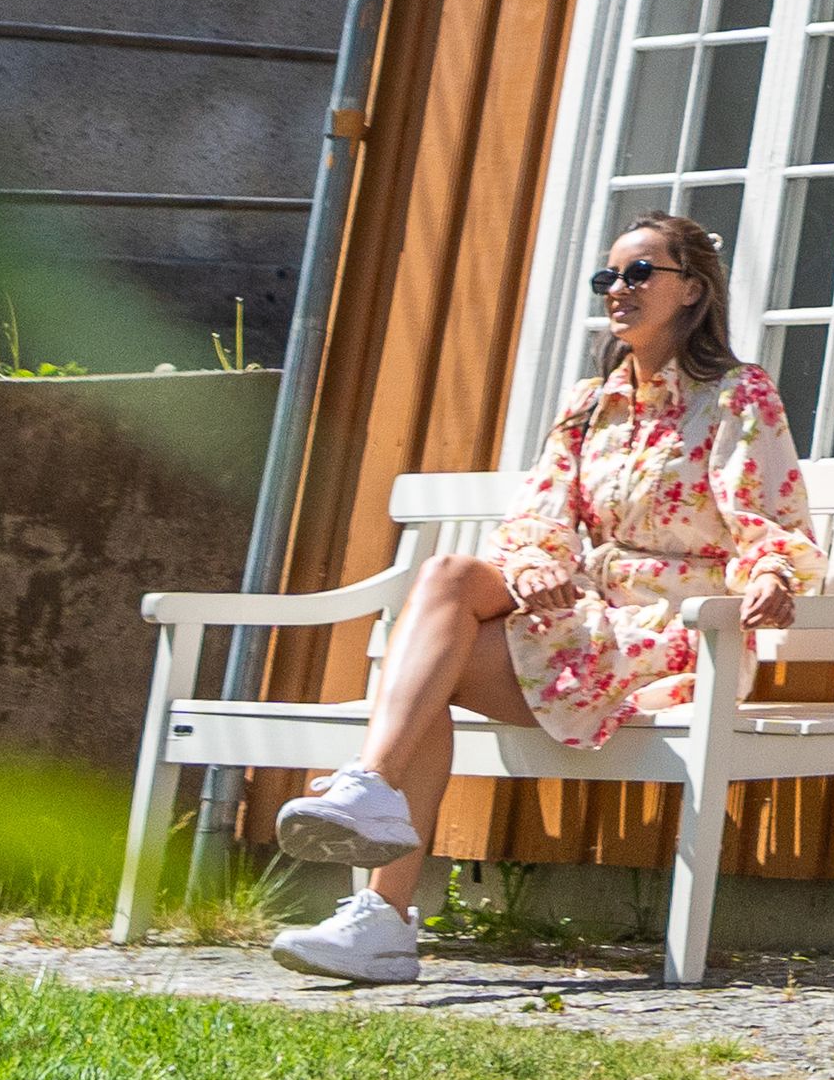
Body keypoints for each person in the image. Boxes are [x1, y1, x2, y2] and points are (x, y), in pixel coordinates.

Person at [265, 215, 805, 981]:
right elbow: (536, 517)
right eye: (608, 277)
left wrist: (773, 575)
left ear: (691, 289)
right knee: (451, 577)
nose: (619, 289)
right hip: (583, 620)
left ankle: (382, 902)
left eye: (639, 273)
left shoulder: (734, 395)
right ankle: (375, 815)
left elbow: (767, 513)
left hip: (676, 632)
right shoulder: (591, 404)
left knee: (430, 669)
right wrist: (533, 569)